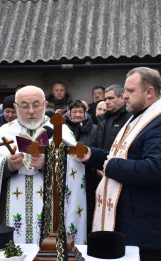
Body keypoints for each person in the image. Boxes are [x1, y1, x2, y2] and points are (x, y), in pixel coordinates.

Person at [79, 67, 161, 261]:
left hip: (150, 232)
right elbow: (120, 157)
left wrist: (109, 167)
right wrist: (91, 155)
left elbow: (153, 170)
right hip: (132, 224)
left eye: (130, 91)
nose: (124, 96)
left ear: (150, 92)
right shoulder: (137, 118)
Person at [0, 86, 87, 245]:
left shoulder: (60, 129)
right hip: (11, 211)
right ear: (15, 107)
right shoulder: (3, 132)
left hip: (53, 210)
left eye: (36, 105)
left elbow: (76, 165)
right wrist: (6, 165)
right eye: (24, 105)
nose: (30, 111)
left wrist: (49, 163)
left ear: (45, 105)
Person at [64, 100, 97, 234]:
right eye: (74, 112)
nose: (77, 115)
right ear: (69, 113)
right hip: (68, 174)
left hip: (89, 174)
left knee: (88, 208)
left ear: (85, 113)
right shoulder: (63, 129)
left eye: (80, 112)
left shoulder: (94, 128)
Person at [91, 84, 132, 150]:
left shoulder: (130, 118)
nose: (106, 102)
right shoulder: (103, 119)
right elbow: (95, 145)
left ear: (122, 98)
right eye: (105, 99)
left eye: (110, 98)